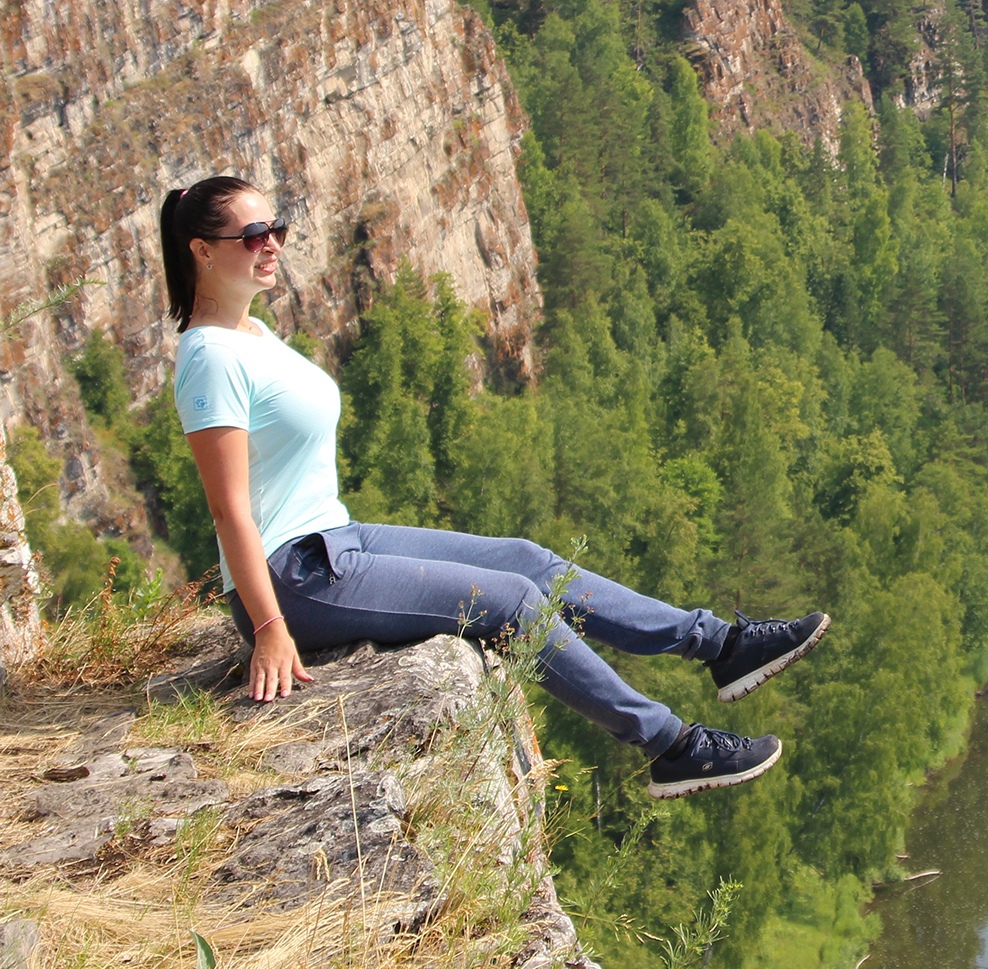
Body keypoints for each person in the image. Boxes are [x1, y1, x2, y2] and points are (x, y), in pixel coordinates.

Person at [161, 175, 827, 799]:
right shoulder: (209, 357)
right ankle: (670, 744)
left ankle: (720, 646)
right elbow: (229, 510)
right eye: (253, 236)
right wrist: (271, 629)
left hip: (334, 542)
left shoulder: (250, 333)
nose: (272, 243)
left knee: (526, 559)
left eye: (275, 227)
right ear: (203, 252)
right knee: (510, 600)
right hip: (291, 579)